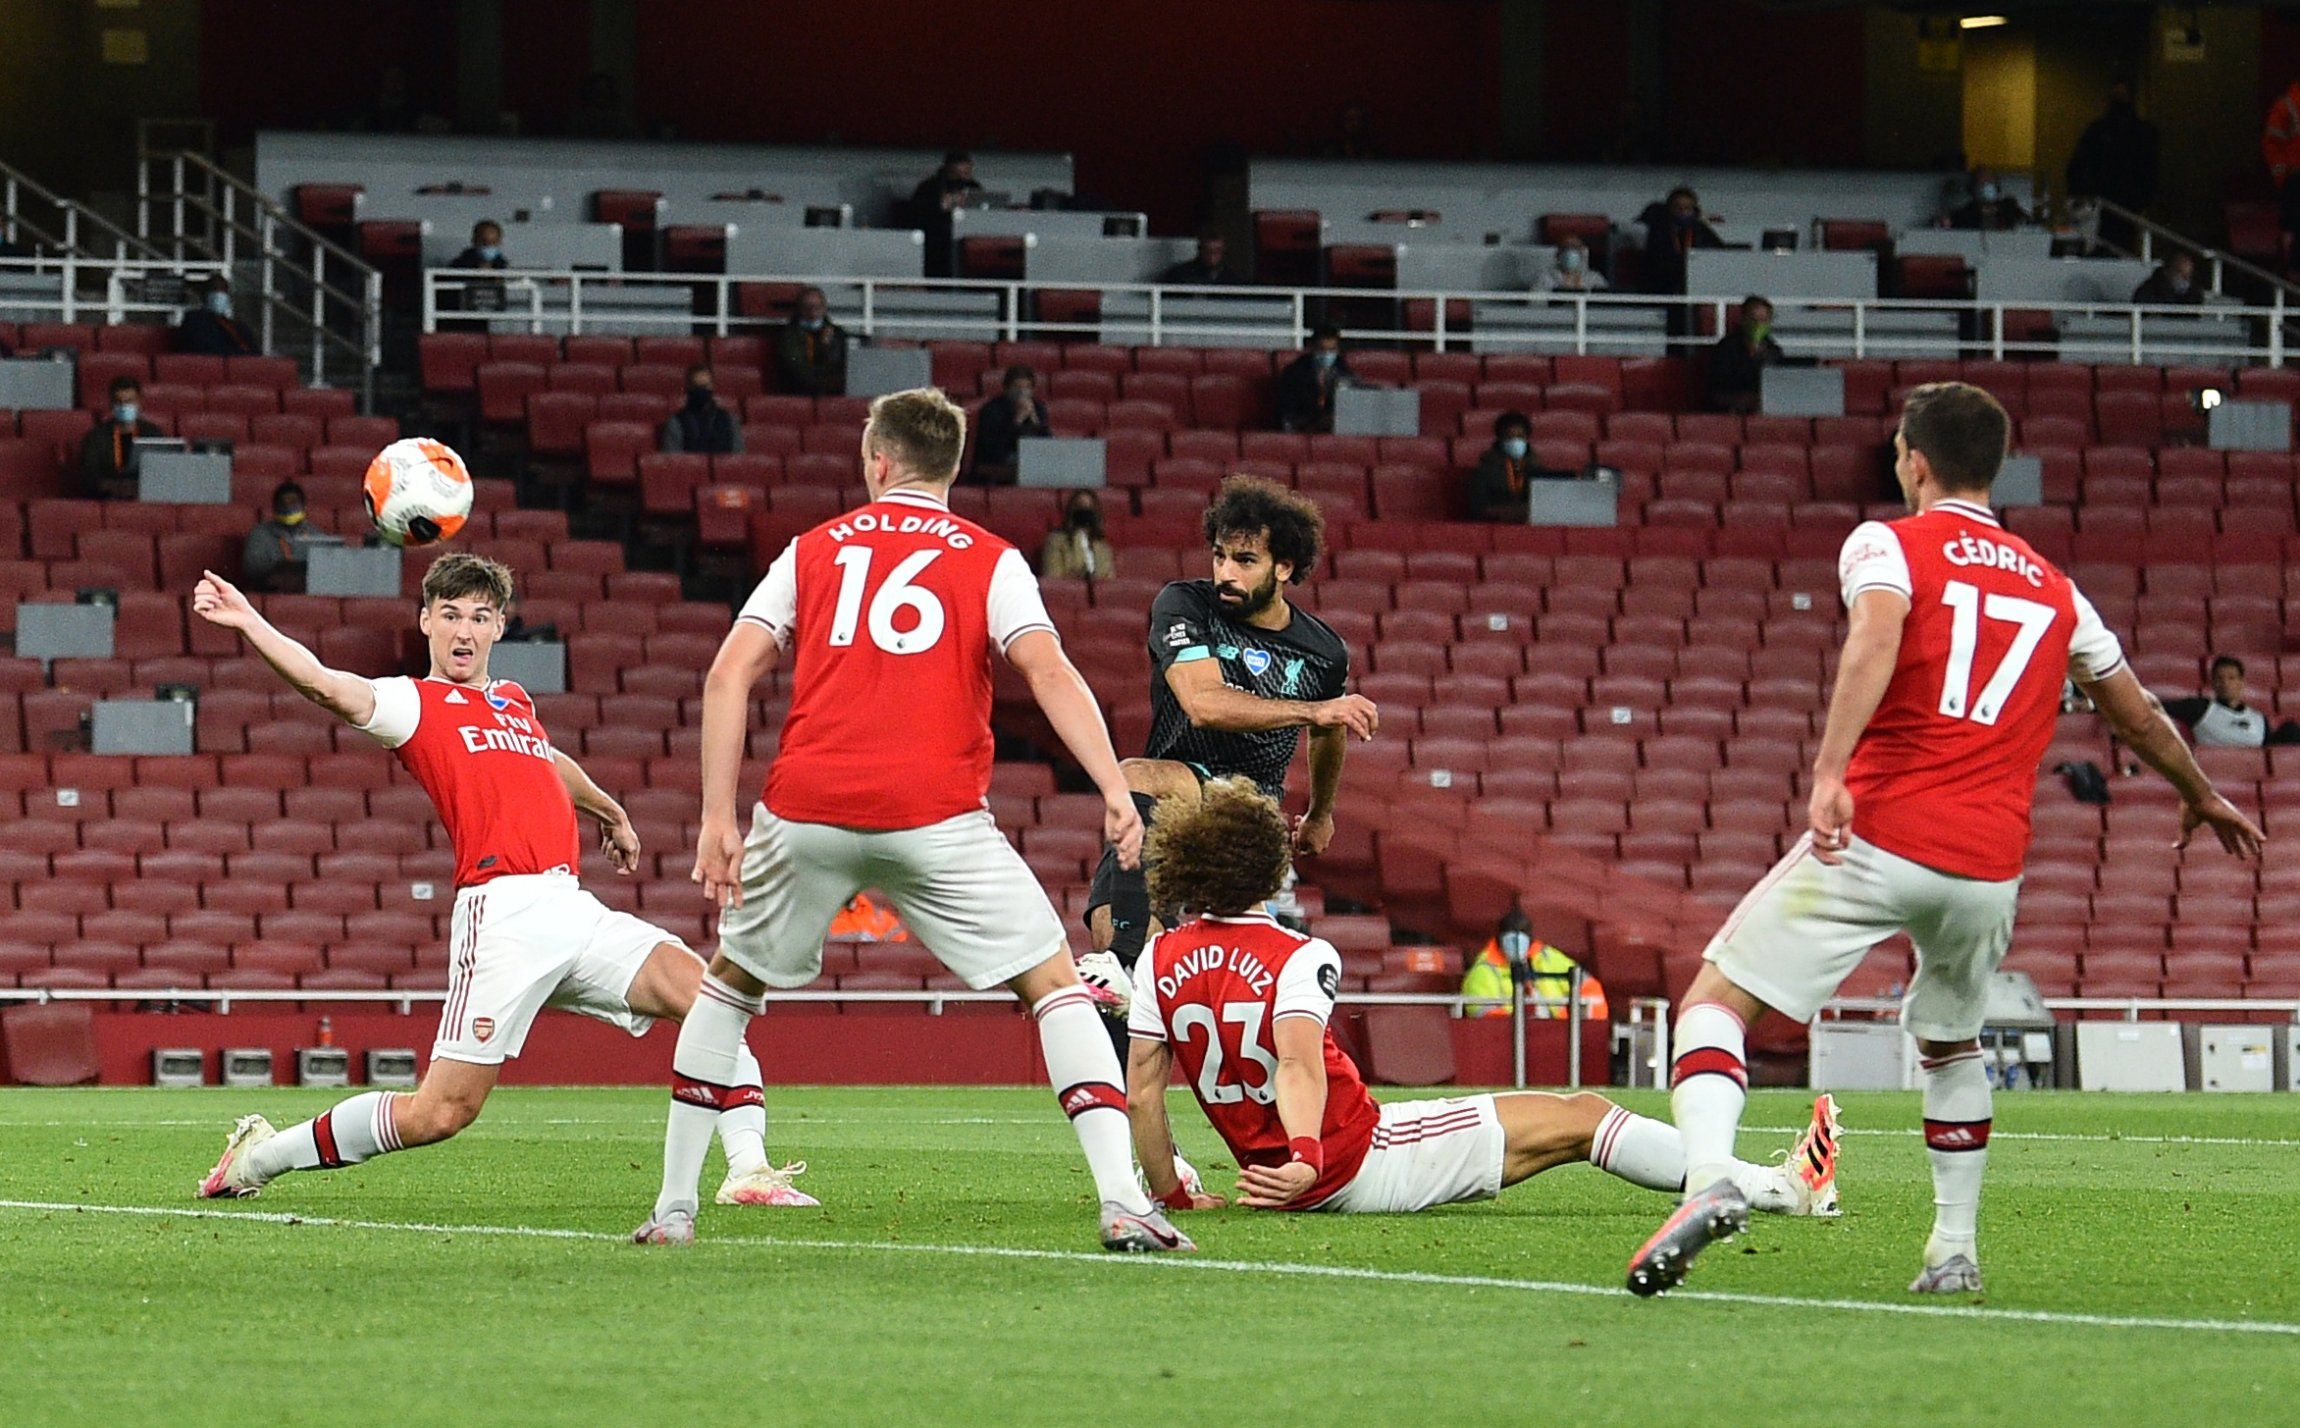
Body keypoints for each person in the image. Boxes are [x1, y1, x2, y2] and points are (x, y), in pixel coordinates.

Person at [1625, 382, 2264, 1300]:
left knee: (1716, 1001)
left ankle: (1708, 1178)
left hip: (1884, 831)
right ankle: (1953, 1251)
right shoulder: (2058, 590)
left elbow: (1876, 637)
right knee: (1953, 1043)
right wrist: (2200, 794)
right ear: (1994, 468)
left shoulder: (1888, 545)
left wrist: (1830, 770)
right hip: (1988, 865)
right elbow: (2136, 712)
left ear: (1914, 462)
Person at [632, 387, 1187, 1255]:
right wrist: (1114, 787)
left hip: (808, 806)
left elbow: (727, 673)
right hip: (935, 812)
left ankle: (673, 1210)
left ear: (878, 462)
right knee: (1055, 988)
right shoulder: (991, 559)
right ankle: (1122, 1200)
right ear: (951, 467)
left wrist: (716, 816)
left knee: (730, 986)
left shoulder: (811, 549)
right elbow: (1047, 669)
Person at [190, 553, 813, 1210]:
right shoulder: (412, 703)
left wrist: (609, 811)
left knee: (713, 999)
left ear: (498, 627)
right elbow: (325, 685)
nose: (464, 631)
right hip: (502, 918)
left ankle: (749, 1169)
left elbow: (546, 759)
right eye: (451, 615)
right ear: (426, 621)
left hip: (571, 906)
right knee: (440, 1113)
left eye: (480, 617)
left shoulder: (512, 701)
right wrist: (250, 622)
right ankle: (261, 1157)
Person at [1123, 779, 1836, 1219]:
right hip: (1354, 1159)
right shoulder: (1299, 954)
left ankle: (1765, 1184)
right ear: (1268, 866)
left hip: (1284, 1168)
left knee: (1562, 1129)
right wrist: (1307, 1159)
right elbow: (1298, 1064)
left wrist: (1173, 1192)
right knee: (1583, 1118)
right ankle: (1781, 1190)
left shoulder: (1159, 957)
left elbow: (1144, 1095)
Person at [1082, 475, 1372, 970]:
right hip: (1181, 789)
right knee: (1130, 801)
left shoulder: (1323, 652)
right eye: (1219, 556)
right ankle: (1126, 970)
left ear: (1284, 567)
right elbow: (1203, 704)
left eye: (1245, 560)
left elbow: (1328, 734)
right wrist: (1311, 709)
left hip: (1252, 808)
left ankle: (1143, 967)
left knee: (1137, 779)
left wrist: (1320, 814)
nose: (1226, 574)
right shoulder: (1185, 605)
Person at [1459, 907, 1607, 1020]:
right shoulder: (1482, 971)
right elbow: (1487, 1020)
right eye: (1510, 941)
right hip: (1512, 1041)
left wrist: (1584, 1028)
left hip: (1561, 1034)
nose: (1516, 946)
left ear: (1530, 941)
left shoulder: (1546, 957)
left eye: (1521, 941)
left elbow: (1590, 989)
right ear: (1499, 940)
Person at [2067, 81, 2158, 248]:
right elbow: (2079, 164)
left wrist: (2141, 198)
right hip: (2101, 201)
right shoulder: (2098, 131)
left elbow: (2149, 170)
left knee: (2120, 242)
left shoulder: (2141, 132)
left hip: (2126, 202)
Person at [2160, 655, 2300, 747]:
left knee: (2291, 730)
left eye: (2231, 678)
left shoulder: (2259, 720)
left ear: (2241, 682)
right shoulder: (2199, 708)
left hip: (2252, 773)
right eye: (2219, 678)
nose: (2225, 683)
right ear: (2213, 683)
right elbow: (2157, 706)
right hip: (2216, 774)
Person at [79, 376, 164, 500]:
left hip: (145, 499)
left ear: (139, 403)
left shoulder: (153, 433)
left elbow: (162, 473)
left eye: (129, 401)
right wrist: (116, 487)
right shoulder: (95, 437)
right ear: (111, 404)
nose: (124, 406)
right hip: (107, 500)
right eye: (119, 402)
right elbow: (89, 477)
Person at [240, 481, 327, 594]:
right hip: (271, 594)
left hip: (308, 594)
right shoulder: (258, 535)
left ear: (304, 506)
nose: (288, 507)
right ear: (274, 507)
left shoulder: (317, 537)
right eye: (283, 503)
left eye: (293, 502)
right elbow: (252, 569)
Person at [1636, 186, 1722, 296]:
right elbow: (1655, 261)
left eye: (1687, 208)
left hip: (1697, 283)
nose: (1683, 212)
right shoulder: (1659, 230)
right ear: (1669, 209)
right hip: (1662, 286)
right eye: (1678, 207)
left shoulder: (1701, 230)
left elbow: (1717, 255)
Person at [910, 151, 984, 279]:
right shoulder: (928, 188)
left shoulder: (973, 187)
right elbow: (917, 215)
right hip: (936, 244)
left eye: (966, 174)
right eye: (957, 174)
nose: (962, 179)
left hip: (968, 241)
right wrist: (944, 204)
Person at [1706, 296, 1784, 414]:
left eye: (1763, 320)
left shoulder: (1773, 351)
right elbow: (1715, 389)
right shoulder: (1726, 348)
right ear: (1743, 319)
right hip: (1729, 411)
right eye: (1753, 319)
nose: (1758, 325)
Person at [971, 364, 1050, 476]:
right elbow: (993, 449)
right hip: (999, 459)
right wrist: (1017, 420)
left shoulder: (1038, 408)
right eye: (1017, 387)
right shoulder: (992, 409)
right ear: (1007, 388)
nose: (1022, 392)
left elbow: (1047, 443)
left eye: (1027, 387)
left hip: (1030, 458)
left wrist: (1034, 420)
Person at [1275, 325, 1355, 434]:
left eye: (1331, 350)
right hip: (1301, 425)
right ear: (1312, 348)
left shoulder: (1345, 373)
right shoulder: (1294, 372)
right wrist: (1314, 419)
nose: (1327, 354)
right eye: (1322, 349)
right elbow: (1287, 409)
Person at [773, 287, 848, 397]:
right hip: (797, 392)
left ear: (824, 308)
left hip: (832, 393)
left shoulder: (838, 334)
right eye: (807, 307)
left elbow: (839, 366)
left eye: (817, 307)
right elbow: (796, 367)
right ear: (799, 309)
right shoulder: (788, 335)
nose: (812, 312)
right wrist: (822, 346)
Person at [660, 364, 743, 455]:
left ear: (712, 386)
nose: (701, 391)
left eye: (705, 386)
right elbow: (673, 460)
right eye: (696, 386)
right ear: (688, 388)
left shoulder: (730, 420)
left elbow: (738, 457)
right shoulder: (676, 422)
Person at [1038, 489, 1117, 581]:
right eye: (1080, 507)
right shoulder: (1055, 542)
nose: (1085, 512)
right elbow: (1053, 579)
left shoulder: (1103, 548)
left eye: (1089, 508)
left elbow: (1109, 580)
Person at [1471, 410, 1534, 522]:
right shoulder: (1485, 471)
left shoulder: (1536, 468)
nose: (1515, 441)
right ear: (1500, 438)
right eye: (1509, 437)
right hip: (1495, 526)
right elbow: (1478, 507)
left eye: (1520, 436)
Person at [176, 276, 259, 357]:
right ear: (205, 295)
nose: (219, 295)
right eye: (214, 290)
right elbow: (210, 349)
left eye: (224, 291)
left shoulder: (237, 327)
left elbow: (255, 351)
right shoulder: (195, 321)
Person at [2264, 81, 2300, 261]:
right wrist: (2282, 175)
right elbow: (2272, 144)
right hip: (2294, 177)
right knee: (2291, 228)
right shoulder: (2287, 105)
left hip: (2292, 178)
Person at [1947, 166, 2028, 231]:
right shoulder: (1964, 214)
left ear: (1997, 185)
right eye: (1982, 181)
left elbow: (2026, 223)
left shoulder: (2010, 209)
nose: (1986, 184)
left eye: (1990, 181)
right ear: (1974, 186)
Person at [1534, 235, 1608, 294]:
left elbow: (1605, 303)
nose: (1570, 251)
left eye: (1575, 248)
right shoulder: (1545, 278)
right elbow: (1535, 302)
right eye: (1566, 247)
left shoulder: (1595, 279)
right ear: (1557, 255)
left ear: (1582, 254)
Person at [2130, 251, 2204, 306]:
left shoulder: (2194, 293)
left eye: (2188, 275)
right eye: (2180, 273)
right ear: (2167, 271)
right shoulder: (2147, 291)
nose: (2185, 279)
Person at [827, 892, 908, 942]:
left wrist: (882, 940)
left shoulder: (874, 912)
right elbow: (825, 937)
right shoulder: (831, 913)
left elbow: (898, 931)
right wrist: (851, 937)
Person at [1159, 233, 1231, 286]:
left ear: (1224, 251)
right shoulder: (1179, 275)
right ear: (1200, 250)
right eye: (1208, 250)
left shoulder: (1230, 278)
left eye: (1217, 250)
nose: (1212, 255)